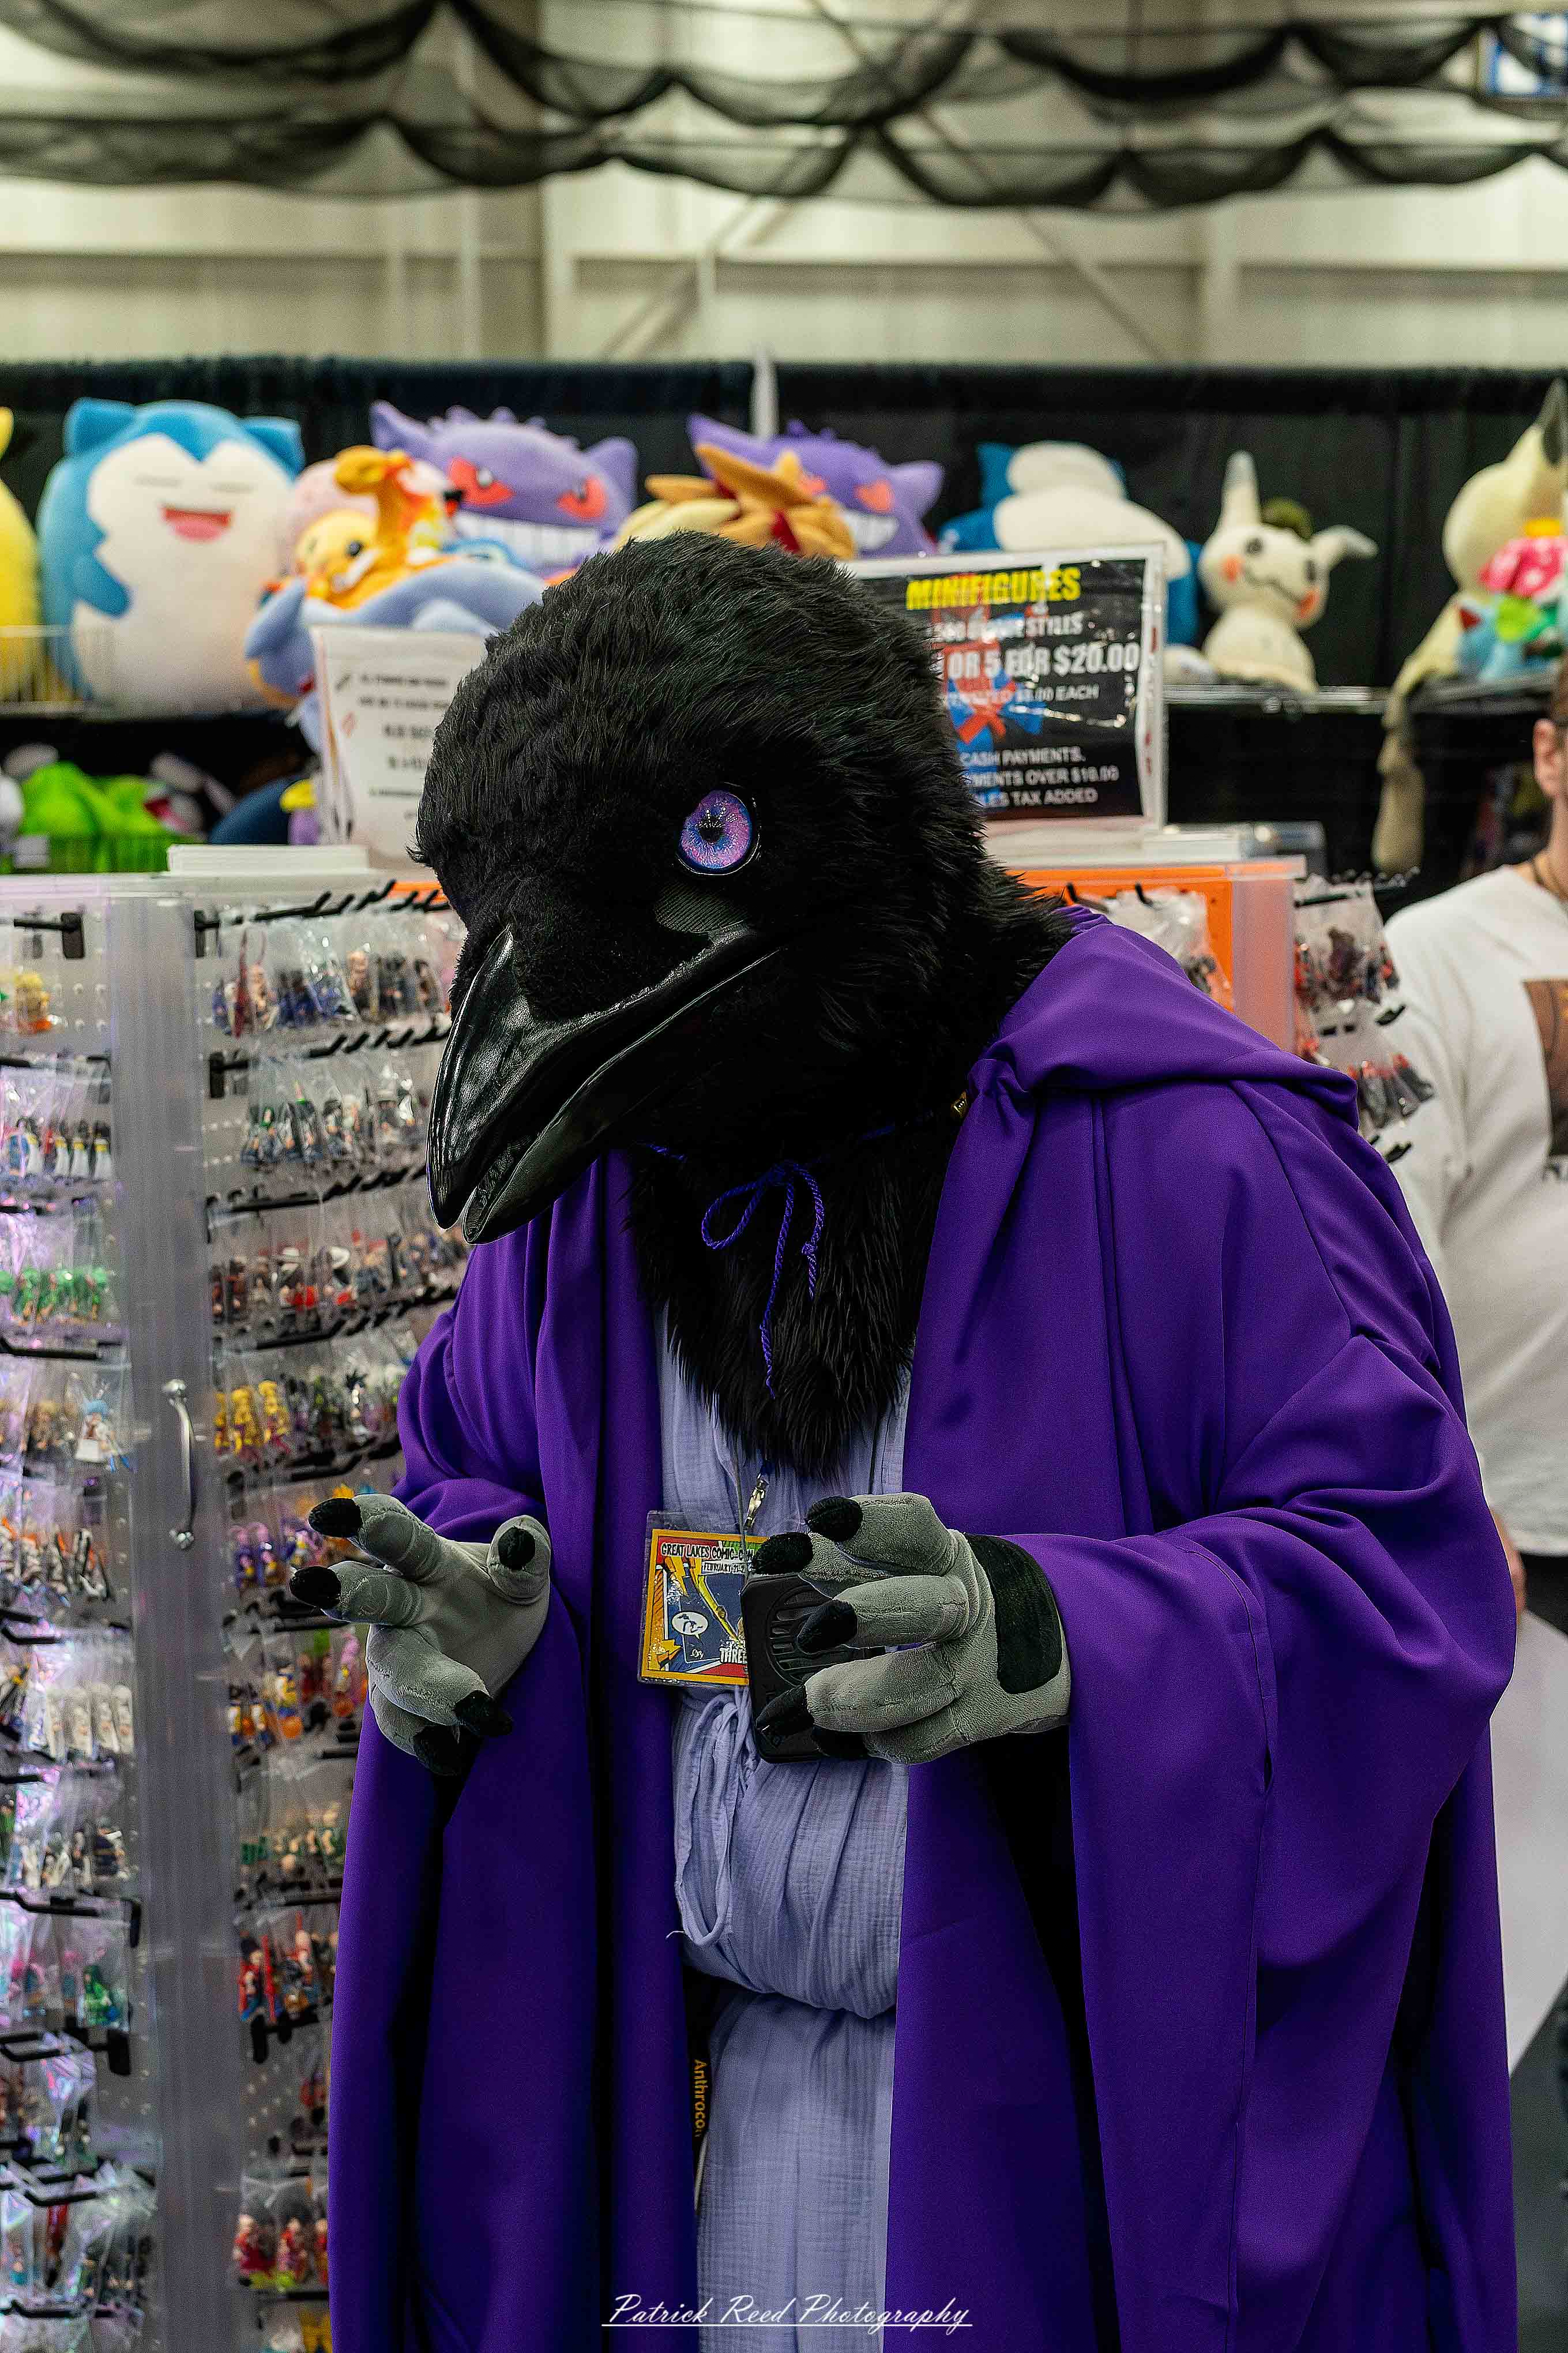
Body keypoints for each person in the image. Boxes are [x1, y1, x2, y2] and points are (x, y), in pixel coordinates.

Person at [310, 536, 1517, 2352]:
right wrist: (486, 1629)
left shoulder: (1192, 1157)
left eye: (700, 852)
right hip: (700, 2135)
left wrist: (1062, 1639)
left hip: (1053, 2137)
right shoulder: (587, 1203)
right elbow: (480, 1485)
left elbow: (1400, 1587)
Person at [1386, 654, 1568, 1631]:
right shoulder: (1437, 947)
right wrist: (1446, 1482)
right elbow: (1395, 1247)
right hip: (1513, 1526)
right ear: (1549, 754)